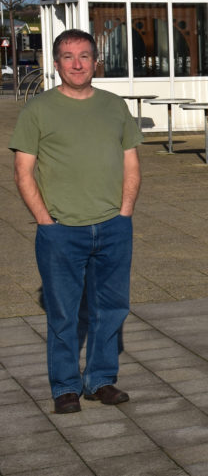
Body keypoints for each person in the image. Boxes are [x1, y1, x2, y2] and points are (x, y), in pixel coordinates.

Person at [10, 29, 143, 414]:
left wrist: (125, 212)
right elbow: (23, 172)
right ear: (55, 64)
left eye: (84, 55)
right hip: (61, 231)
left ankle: (100, 379)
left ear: (95, 61)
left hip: (113, 227)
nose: (77, 63)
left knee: (111, 308)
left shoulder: (115, 106)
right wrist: (45, 221)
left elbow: (131, 162)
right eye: (68, 56)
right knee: (64, 312)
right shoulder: (38, 110)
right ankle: (65, 386)